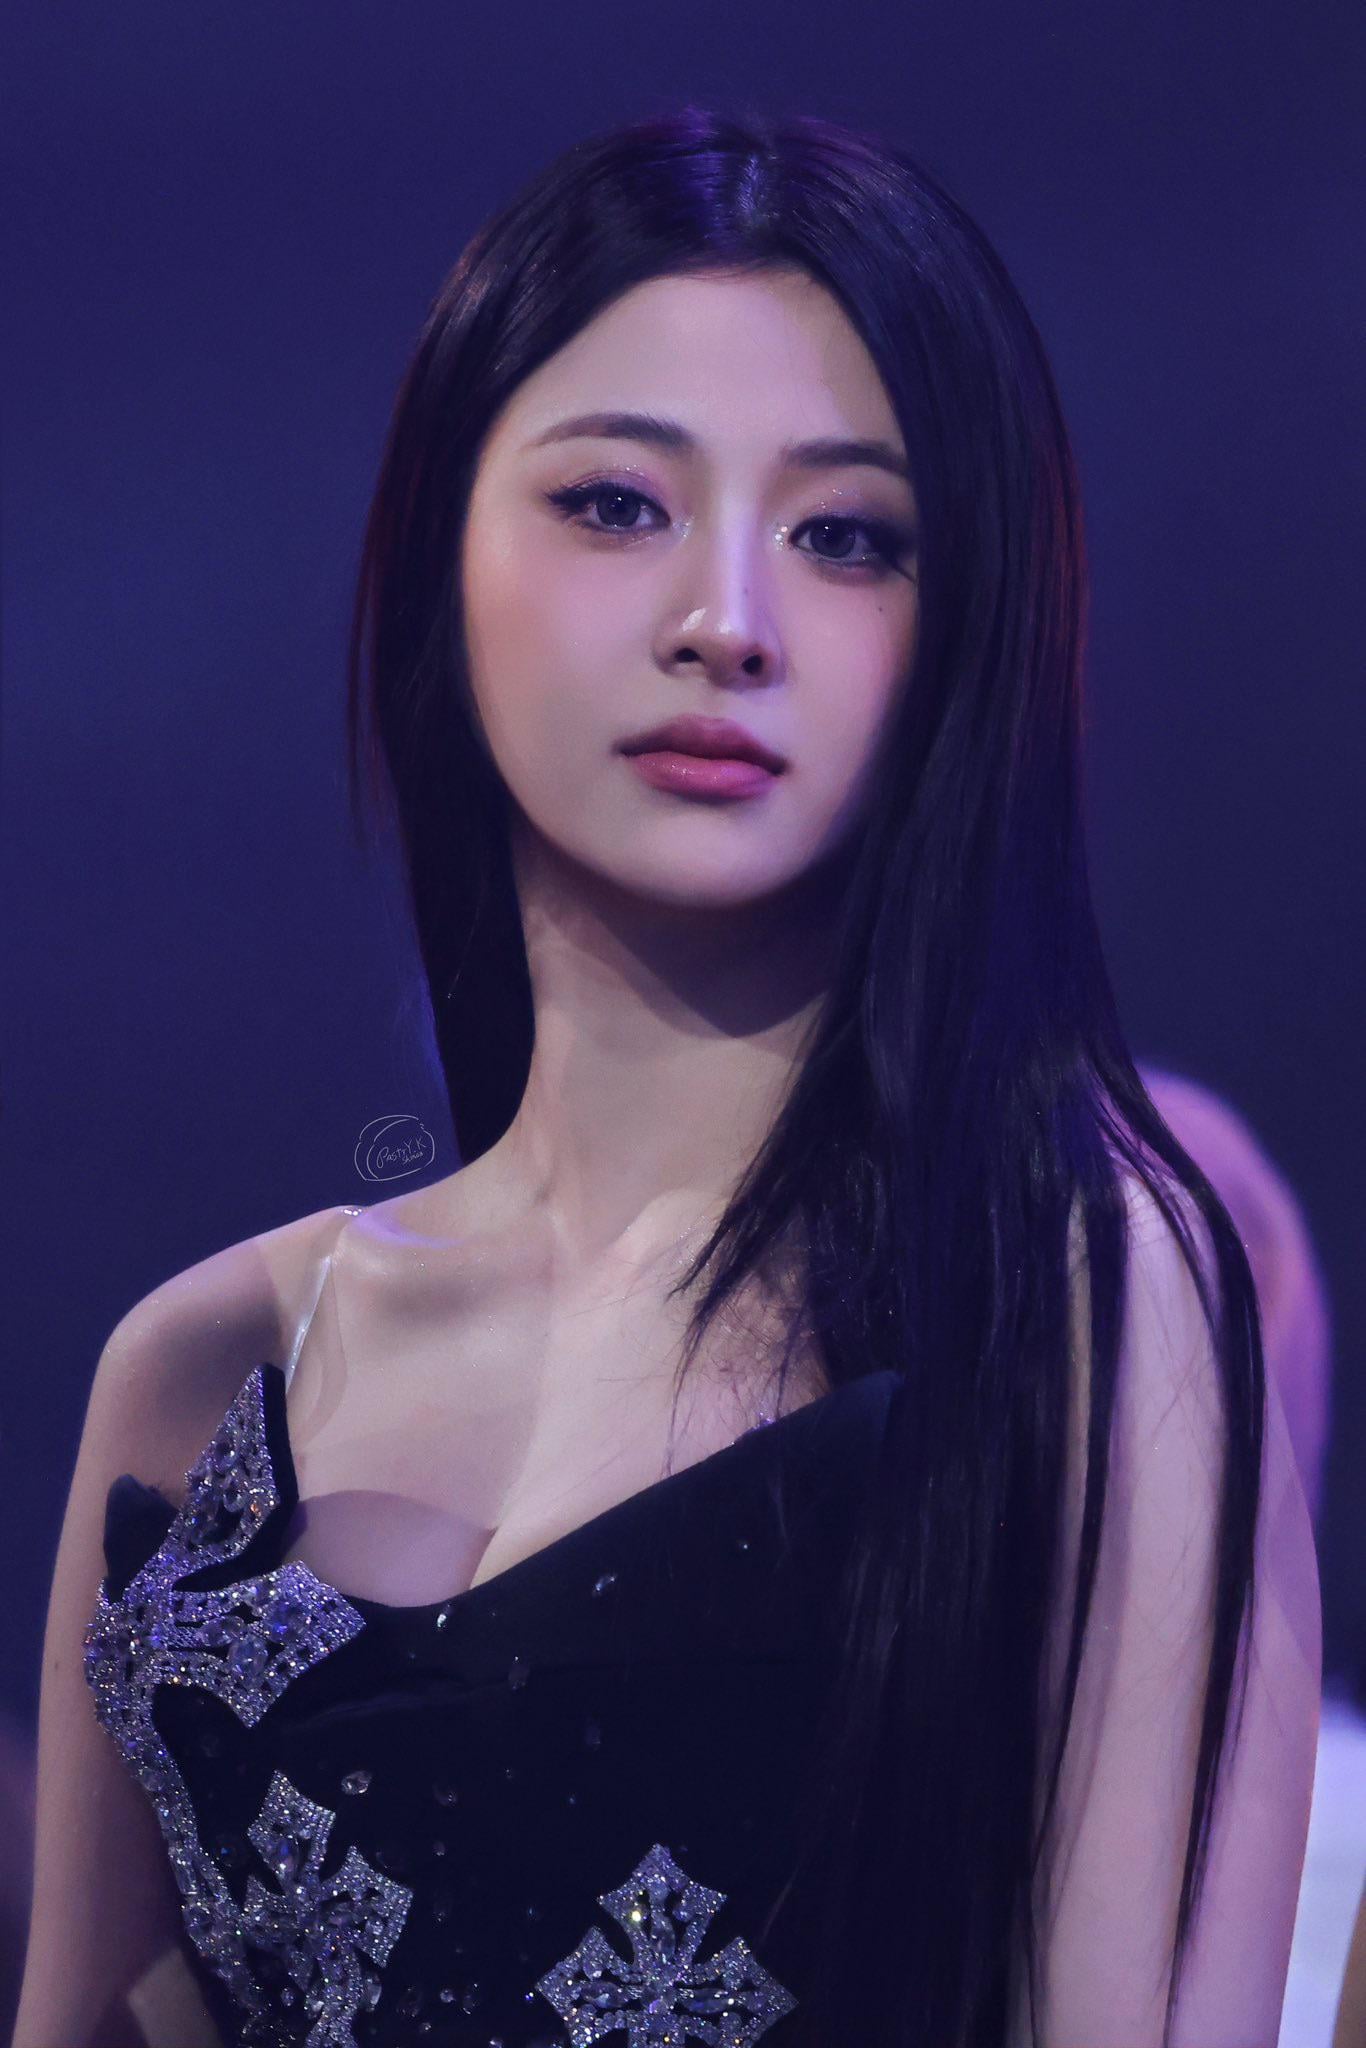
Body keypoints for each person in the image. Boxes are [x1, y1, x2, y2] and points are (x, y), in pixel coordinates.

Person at [15, 103, 1320, 2048]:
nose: (726, 623)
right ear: (437, 556)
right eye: (616, 503)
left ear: (965, 629)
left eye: (846, 536)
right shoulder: (206, 1373)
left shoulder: (1063, 1286)